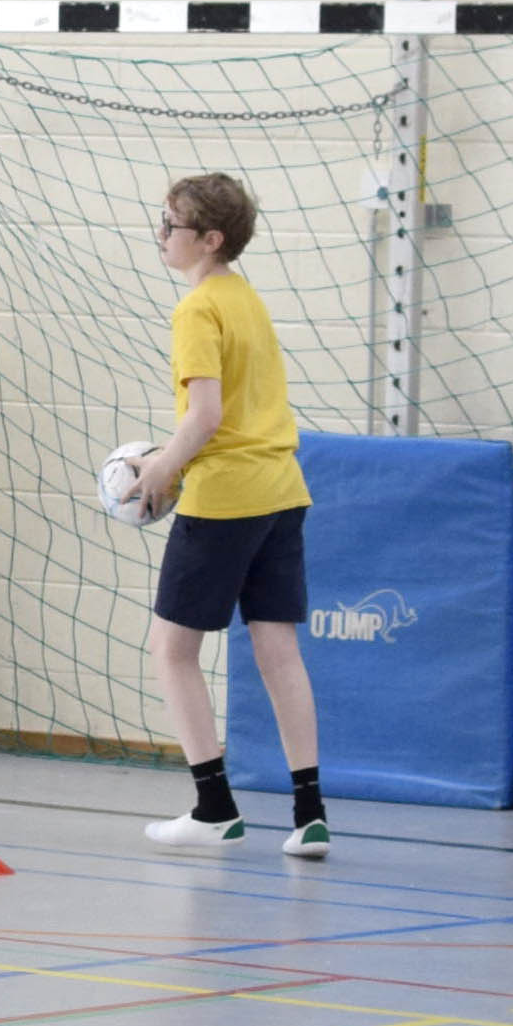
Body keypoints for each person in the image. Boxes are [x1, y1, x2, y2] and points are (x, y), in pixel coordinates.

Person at [129, 170, 328, 859]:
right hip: (281, 490)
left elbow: (206, 417)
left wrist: (161, 468)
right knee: (277, 650)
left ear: (209, 239)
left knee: (172, 650)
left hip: (225, 500)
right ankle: (309, 815)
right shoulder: (244, 298)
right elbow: (237, 413)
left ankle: (212, 805)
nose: (160, 236)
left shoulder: (195, 310)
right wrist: (170, 452)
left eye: (170, 226)